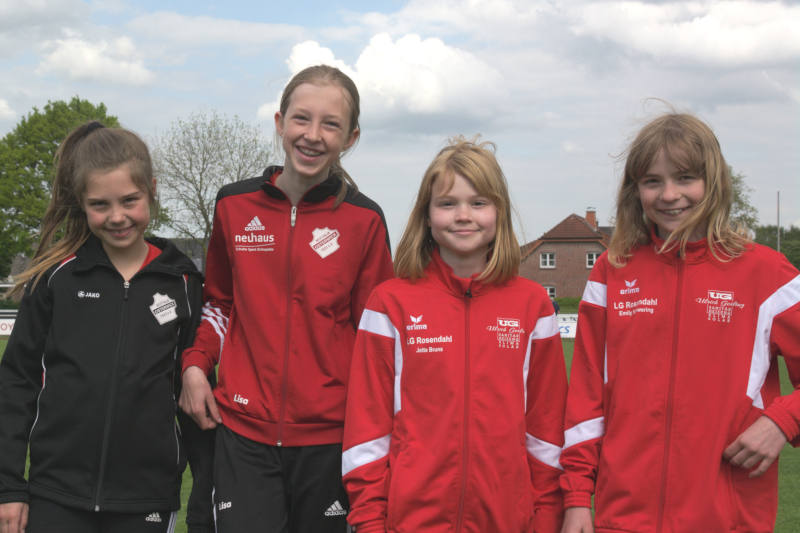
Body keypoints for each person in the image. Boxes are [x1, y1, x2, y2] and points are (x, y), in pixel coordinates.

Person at [560, 112, 800, 533]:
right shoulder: (611, 272)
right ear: (636, 190)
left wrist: (783, 421)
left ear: (713, 182)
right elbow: (585, 399)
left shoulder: (768, 274)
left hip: (729, 518)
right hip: (624, 518)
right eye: (653, 181)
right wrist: (579, 496)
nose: (670, 194)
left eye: (685, 177)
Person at [179, 64, 394, 532]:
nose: (313, 135)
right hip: (242, 435)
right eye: (301, 119)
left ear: (350, 137)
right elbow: (220, 303)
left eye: (330, 124)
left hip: (330, 441)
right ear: (280, 123)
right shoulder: (233, 206)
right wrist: (196, 365)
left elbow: (375, 338)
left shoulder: (365, 221)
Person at [342, 137, 567, 532]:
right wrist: (369, 521)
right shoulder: (389, 303)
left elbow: (546, 431)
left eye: (478, 203)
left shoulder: (533, 306)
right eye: (447, 204)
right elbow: (366, 430)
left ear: (499, 213)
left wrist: (547, 517)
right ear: (426, 216)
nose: (463, 215)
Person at [0, 121, 213, 533]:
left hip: (146, 499)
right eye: (100, 204)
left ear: (151, 189)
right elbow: (17, 384)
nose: (117, 217)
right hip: (55, 494)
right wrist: (9, 486)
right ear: (81, 202)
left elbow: (192, 398)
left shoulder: (183, 283)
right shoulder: (56, 279)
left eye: (130, 200)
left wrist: (203, 500)